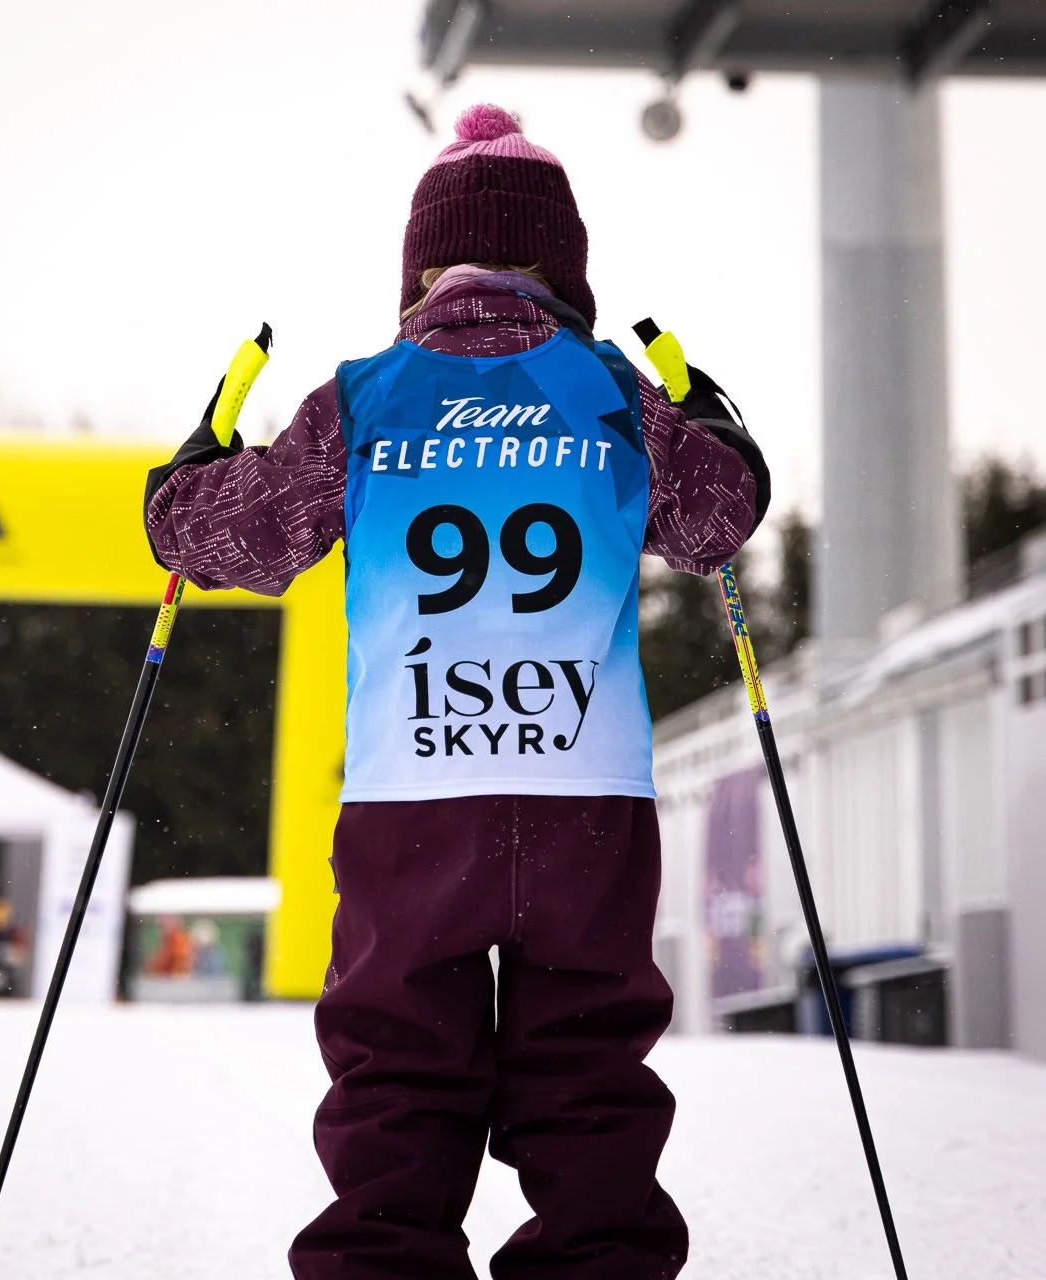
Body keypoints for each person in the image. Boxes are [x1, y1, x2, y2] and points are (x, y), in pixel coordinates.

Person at [144, 105, 770, 1280]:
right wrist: (712, 423)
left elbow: (229, 538)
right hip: (585, 790)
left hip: (411, 790)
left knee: (397, 1060)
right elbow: (714, 518)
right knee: (584, 1061)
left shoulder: (365, 397)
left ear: (417, 268)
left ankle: (383, 1263)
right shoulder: (610, 389)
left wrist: (181, 483)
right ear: (566, 270)